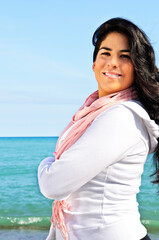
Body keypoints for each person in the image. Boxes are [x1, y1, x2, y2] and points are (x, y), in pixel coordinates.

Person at [38, 17, 159, 240]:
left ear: (137, 68)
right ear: (94, 65)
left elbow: (53, 185)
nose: (112, 62)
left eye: (124, 56)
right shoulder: (95, 112)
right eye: (105, 53)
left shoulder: (121, 117)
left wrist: (48, 162)